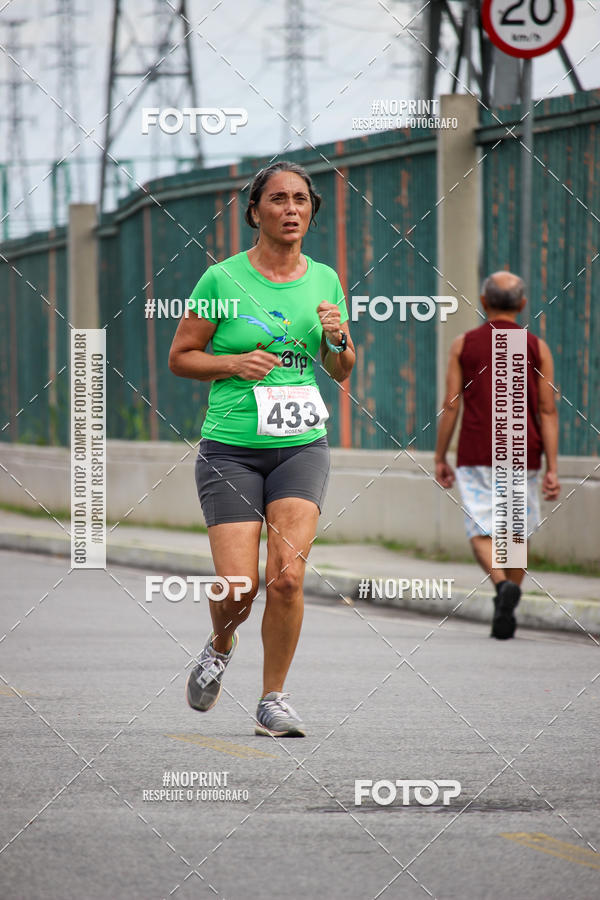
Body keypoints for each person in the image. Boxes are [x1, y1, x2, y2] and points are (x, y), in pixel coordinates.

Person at [168, 161, 355, 736]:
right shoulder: (221, 280)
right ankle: (221, 643)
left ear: (310, 212)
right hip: (232, 449)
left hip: (301, 445)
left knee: (288, 578)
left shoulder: (324, 278)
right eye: (278, 199)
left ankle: (273, 698)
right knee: (238, 585)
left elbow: (341, 369)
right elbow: (181, 356)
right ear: (255, 212)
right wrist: (233, 363)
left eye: (301, 199)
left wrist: (338, 339)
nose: (291, 208)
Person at [434, 271, 560, 640]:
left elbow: (451, 404)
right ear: (522, 305)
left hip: (476, 450)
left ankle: (502, 585)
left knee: (481, 528)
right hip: (524, 451)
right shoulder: (536, 346)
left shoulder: (464, 344)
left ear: (484, 302)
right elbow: (548, 410)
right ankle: (509, 597)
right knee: (515, 529)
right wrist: (554, 467)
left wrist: (440, 454)